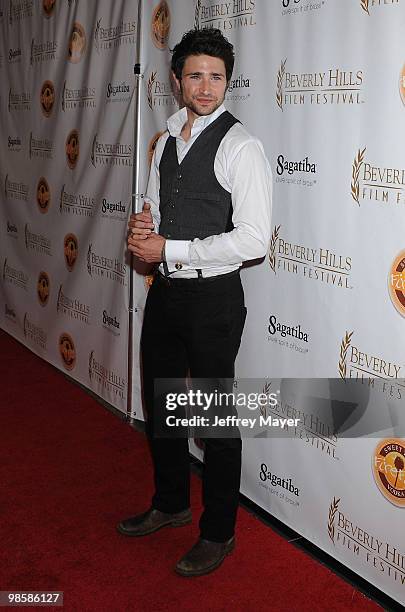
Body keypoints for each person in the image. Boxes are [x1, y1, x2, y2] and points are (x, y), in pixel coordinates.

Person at [119, 28, 272, 577]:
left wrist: (171, 247)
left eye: (216, 77)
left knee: (213, 418)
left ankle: (219, 532)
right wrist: (146, 227)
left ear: (227, 81)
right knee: (163, 404)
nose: (206, 87)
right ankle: (172, 502)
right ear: (178, 79)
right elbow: (156, 209)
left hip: (213, 300)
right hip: (166, 293)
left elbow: (255, 239)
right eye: (196, 75)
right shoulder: (164, 138)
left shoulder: (241, 146)